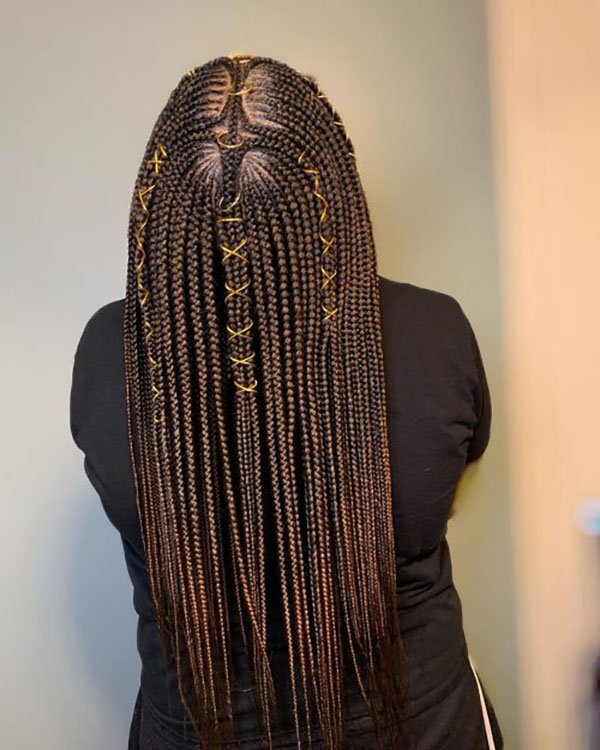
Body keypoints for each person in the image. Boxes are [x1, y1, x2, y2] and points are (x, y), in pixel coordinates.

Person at [69, 53, 503, 750]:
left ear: (163, 205)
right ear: (331, 188)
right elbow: (455, 483)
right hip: (423, 727)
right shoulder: (435, 330)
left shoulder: (105, 351)